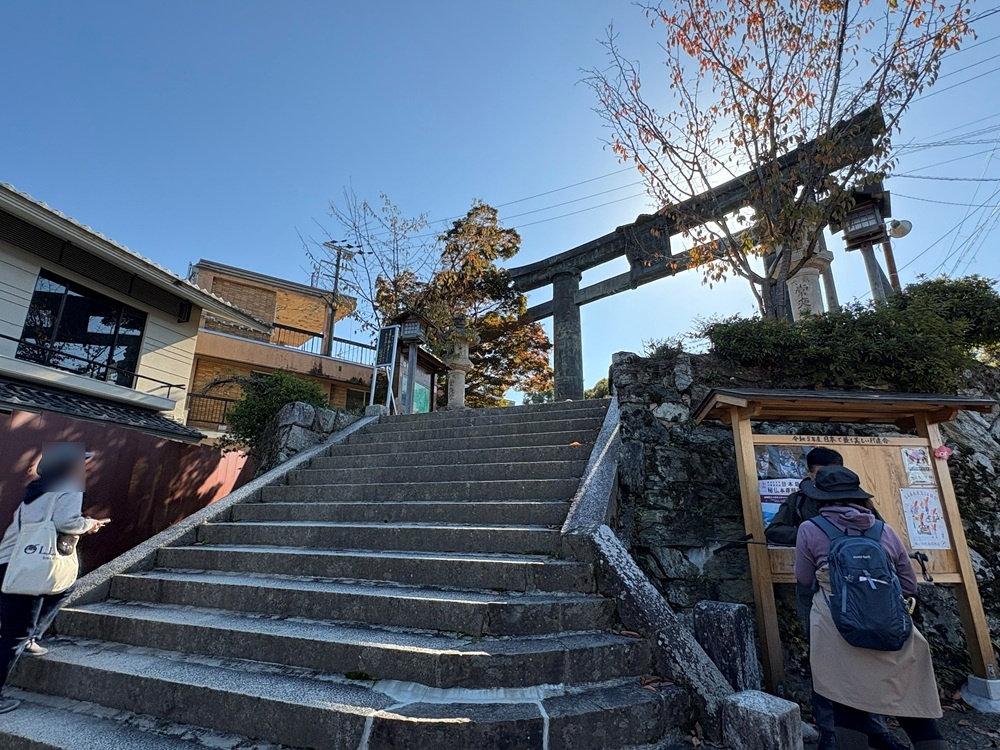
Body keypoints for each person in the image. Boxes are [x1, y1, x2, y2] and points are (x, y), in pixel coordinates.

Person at [796, 466, 947, 750]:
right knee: (908, 700)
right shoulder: (883, 530)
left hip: (836, 624)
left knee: (846, 697)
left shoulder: (810, 529)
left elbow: (804, 578)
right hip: (889, 623)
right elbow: (908, 584)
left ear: (820, 499)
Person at [765, 448, 904, 750]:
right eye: (820, 471)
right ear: (810, 471)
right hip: (825, 594)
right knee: (827, 660)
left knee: (861, 658)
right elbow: (775, 530)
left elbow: (877, 536)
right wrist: (807, 532)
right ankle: (831, 730)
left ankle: (875, 729)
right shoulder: (800, 500)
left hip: (858, 592)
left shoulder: (860, 504)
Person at [0, 443, 109, 714]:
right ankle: (29, 637)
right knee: (14, 634)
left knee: (63, 587)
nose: (83, 467)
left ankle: (31, 636)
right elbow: (65, 521)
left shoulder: (35, 490)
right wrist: (89, 525)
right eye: (80, 462)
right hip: (30, 566)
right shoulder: (69, 486)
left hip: (9, 562)